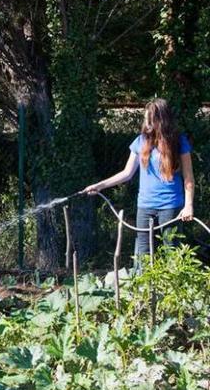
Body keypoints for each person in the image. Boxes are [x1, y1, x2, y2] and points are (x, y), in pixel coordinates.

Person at [83, 98, 195, 267]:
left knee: (172, 251)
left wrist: (188, 205)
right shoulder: (140, 141)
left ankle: (174, 291)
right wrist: (99, 186)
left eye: (151, 119)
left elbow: (189, 177)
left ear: (161, 120)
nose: (147, 123)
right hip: (145, 206)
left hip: (170, 206)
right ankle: (143, 292)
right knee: (142, 254)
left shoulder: (179, 142)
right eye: (146, 119)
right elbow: (127, 173)